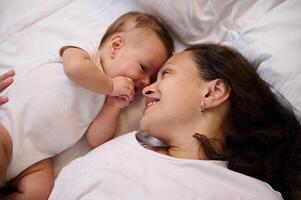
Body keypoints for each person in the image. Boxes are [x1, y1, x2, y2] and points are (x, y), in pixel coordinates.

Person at [50, 44, 301, 200]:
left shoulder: (251, 195)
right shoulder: (117, 149)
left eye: (165, 74)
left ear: (213, 92)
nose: (146, 90)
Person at [0, 12, 174, 199]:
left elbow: (94, 140)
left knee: (38, 193)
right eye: (144, 68)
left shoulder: (106, 99)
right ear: (116, 46)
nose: (146, 81)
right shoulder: (87, 53)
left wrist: (113, 106)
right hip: (8, 128)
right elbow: (74, 69)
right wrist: (112, 86)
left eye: (152, 78)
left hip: (36, 160)